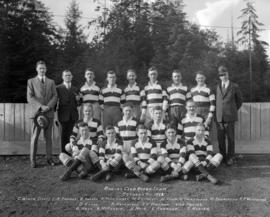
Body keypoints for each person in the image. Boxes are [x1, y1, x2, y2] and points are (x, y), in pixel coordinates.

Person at [27, 60, 57, 168]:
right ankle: (33, 160)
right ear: (36, 69)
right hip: (36, 114)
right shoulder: (31, 81)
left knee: (48, 137)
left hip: (48, 113)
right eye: (40, 68)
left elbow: (55, 96)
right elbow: (29, 97)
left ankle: (49, 159)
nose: (42, 70)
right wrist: (41, 106)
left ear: (46, 69)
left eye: (44, 68)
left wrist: (48, 106)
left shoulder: (51, 82)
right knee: (34, 137)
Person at [215, 65, 243, 166]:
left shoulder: (234, 86)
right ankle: (222, 157)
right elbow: (216, 102)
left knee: (231, 138)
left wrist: (233, 110)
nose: (223, 76)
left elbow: (239, 101)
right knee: (220, 139)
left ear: (228, 74)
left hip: (230, 117)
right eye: (221, 75)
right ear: (219, 76)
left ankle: (231, 157)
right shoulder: (217, 86)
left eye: (225, 74)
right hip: (219, 118)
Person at [56, 70, 80, 154]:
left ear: (72, 76)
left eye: (69, 75)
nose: (68, 77)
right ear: (62, 77)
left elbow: (79, 103)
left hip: (73, 115)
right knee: (63, 136)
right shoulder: (58, 88)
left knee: (72, 136)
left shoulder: (75, 89)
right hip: (63, 115)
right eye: (66, 75)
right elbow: (55, 102)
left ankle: (72, 153)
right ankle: (63, 154)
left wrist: (78, 100)